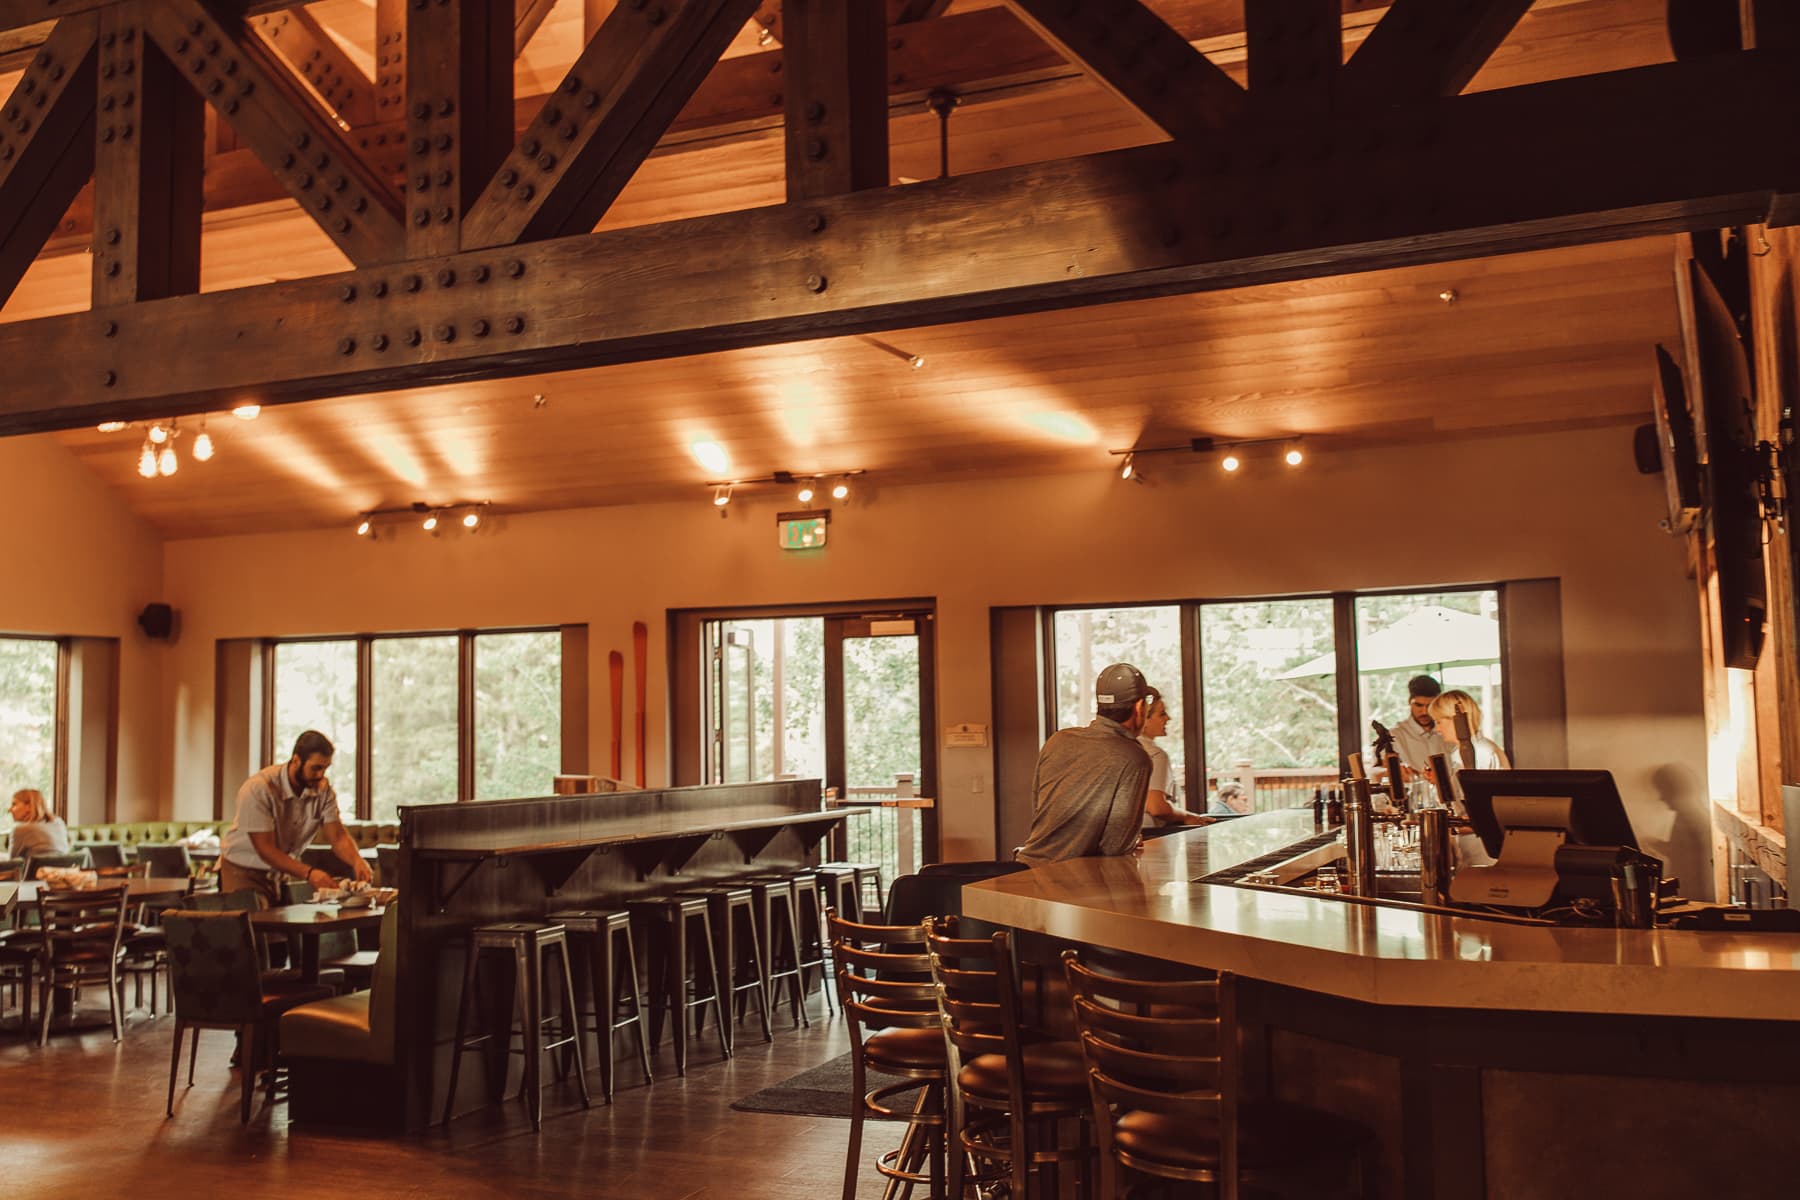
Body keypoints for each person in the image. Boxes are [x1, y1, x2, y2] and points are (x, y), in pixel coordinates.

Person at [1016, 663, 1155, 866]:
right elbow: (1115, 847)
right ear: (1139, 707)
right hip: (1071, 881)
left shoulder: (1059, 739)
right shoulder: (1135, 759)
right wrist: (1131, 840)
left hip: (1025, 869)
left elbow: (1039, 808)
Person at [219, 730, 373, 906]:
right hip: (242, 870)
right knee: (254, 929)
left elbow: (337, 836)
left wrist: (357, 861)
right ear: (296, 760)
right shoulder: (258, 788)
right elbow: (265, 849)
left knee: (283, 930)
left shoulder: (323, 789)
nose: (320, 775)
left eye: (325, 768)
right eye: (315, 768)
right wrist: (310, 873)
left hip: (280, 872)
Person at [1429, 689, 1509, 866]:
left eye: (1439, 722)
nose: (1437, 729)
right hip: (1470, 845)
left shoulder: (1481, 753)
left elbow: (1488, 810)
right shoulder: (1463, 752)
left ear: (1456, 719)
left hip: (1482, 848)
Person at [1137, 691, 1214, 832]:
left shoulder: (1121, 750)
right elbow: (1156, 807)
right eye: (1162, 714)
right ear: (1144, 719)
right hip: (1151, 836)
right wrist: (1188, 817)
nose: (1168, 718)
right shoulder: (1156, 755)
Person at [1381, 674, 1449, 775]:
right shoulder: (1394, 736)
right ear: (1409, 702)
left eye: (1430, 706)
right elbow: (1376, 771)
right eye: (1419, 705)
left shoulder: (1448, 733)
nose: (1424, 712)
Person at [8, 788, 68, 858]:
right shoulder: (59, 822)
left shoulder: (21, 830)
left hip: (35, 869)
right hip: (62, 868)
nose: (9, 810)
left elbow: (12, 862)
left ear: (29, 806)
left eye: (14, 804)